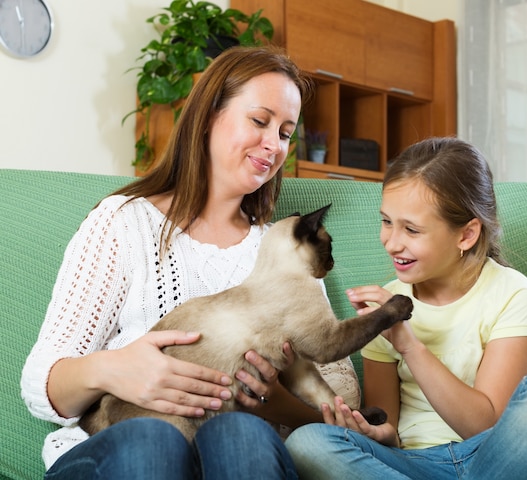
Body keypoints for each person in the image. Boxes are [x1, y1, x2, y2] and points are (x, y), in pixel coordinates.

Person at [21, 46, 361, 479]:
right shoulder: (125, 223)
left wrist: (277, 402)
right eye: (259, 121)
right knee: (153, 438)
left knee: (241, 432)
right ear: (209, 115)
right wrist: (116, 369)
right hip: (117, 451)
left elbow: (338, 400)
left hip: (229, 457)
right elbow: (39, 385)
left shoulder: (286, 250)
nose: (273, 145)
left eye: (285, 133)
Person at [285, 137, 527, 479]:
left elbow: (484, 425)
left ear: (466, 235)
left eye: (411, 229)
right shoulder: (384, 304)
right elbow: (388, 427)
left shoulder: (513, 293)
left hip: (498, 459)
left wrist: (408, 345)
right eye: (386, 221)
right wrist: (377, 432)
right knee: (307, 442)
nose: (392, 242)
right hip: (413, 465)